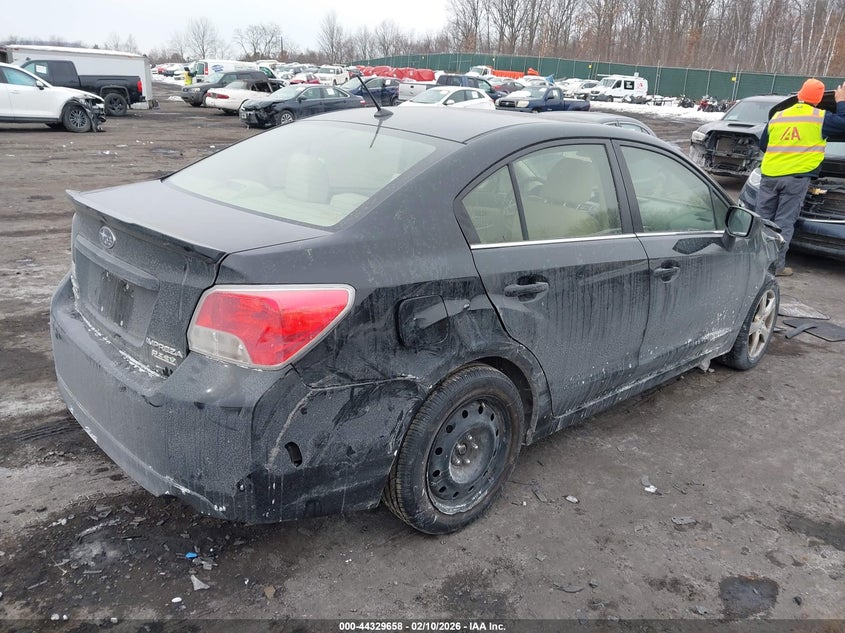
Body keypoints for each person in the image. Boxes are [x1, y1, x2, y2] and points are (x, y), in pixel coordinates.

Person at [756, 78, 845, 276]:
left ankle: (754, 261)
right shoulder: (820, 117)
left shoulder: (779, 115)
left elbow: (763, 145)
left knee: (762, 220)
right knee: (783, 222)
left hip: (769, 176)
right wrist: (841, 101)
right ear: (819, 99)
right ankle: (776, 266)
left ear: (799, 94)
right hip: (795, 179)